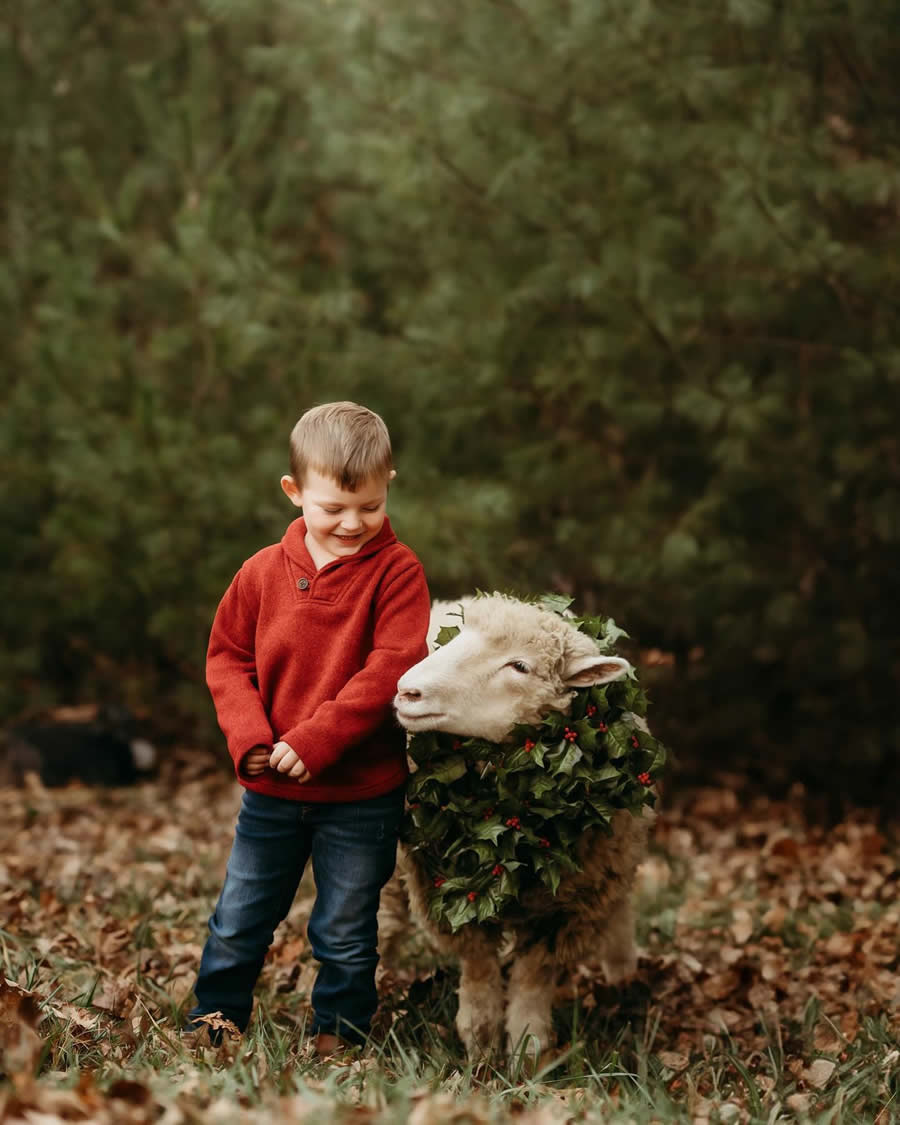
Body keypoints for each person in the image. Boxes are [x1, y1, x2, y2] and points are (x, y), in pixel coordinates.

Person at [184, 401, 431, 1055]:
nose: (354, 523)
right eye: (334, 508)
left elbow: (393, 667)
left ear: (388, 485)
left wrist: (316, 738)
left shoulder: (397, 573)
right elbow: (227, 659)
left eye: (370, 507)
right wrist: (253, 740)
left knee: (346, 926)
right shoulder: (262, 572)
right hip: (272, 793)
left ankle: (339, 1031)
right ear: (294, 492)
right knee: (240, 916)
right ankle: (216, 1016)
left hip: (361, 794)